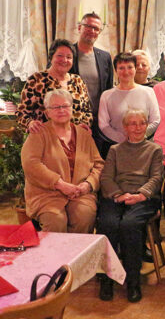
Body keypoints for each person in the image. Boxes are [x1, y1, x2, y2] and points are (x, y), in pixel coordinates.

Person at [97, 109, 164, 303]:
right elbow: (107, 177)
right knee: (108, 223)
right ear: (125, 127)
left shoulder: (154, 150)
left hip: (143, 199)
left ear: (147, 126)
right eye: (132, 124)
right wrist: (119, 195)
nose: (137, 127)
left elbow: (157, 177)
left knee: (129, 224)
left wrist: (141, 195)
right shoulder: (115, 150)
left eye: (142, 123)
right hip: (117, 196)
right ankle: (107, 278)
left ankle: (133, 280)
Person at [21, 89, 103, 233]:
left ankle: (80, 255)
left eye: (65, 106)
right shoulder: (38, 133)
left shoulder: (84, 134)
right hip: (47, 194)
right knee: (56, 221)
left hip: (80, 193)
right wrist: (59, 184)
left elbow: (99, 165)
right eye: (55, 107)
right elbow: (31, 164)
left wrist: (88, 184)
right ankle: (54, 256)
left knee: (84, 216)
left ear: (72, 108)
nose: (61, 110)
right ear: (47, 112)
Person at [17, 39, 93, 132]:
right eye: (60, 56)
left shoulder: (78, 80)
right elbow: (21, 112)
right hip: (45, 138)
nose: (64, 60)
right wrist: (30, 123)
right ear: (51, 57)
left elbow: (87, 111)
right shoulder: (36, 79)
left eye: (69, 57)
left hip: (74, 138)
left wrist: (84, 125)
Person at [70, 12, 114, 156]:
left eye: (96, 29)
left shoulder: (105, 57)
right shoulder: (66, 54)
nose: (92, 31)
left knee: (97, 161)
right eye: (88, 26)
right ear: (79, 28)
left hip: (97, 122)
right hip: (72, 121)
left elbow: (108, 91)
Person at [98, 53, 160, 145]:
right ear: (115, 71)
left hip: (144, 145)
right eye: (121, 68)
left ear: (135, 69)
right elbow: (103, 125)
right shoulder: (106, 95)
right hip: (116, 146)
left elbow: (155, 120)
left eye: (130, 67)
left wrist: (138, 136)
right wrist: (123, 138)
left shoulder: (148, 92)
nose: (126, 72)